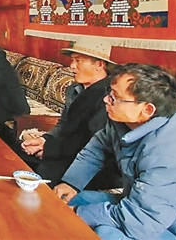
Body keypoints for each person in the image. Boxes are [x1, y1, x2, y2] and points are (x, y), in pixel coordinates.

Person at [54, 64, 176, 240]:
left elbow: (139, 222)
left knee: (106, 233)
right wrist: (72, 183)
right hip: (149, 206)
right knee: (77, 199)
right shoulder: (124, 120)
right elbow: (98, 147)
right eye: (109, 92)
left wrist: (78, 213)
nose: (106, 100)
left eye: (115, 97)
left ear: (147, 109)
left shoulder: (168, 156)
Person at [18, 38, 121, 188]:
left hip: (93, 161)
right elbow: (64, 123)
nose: (72, 66)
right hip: (66, 149)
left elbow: (93, 142)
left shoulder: (108, 97)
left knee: (46, 172)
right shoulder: (74, 89)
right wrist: (45, 139)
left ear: (99, 64)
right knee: (20, 154)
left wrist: (50, 149)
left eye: (78, 61)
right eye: (72, 60)